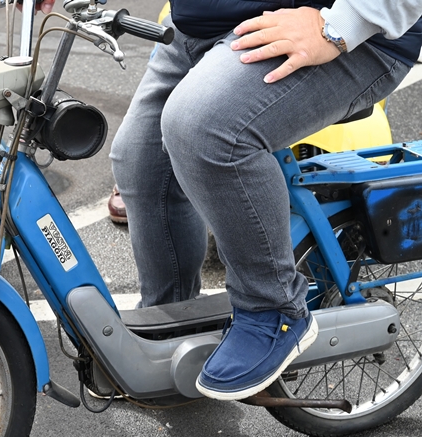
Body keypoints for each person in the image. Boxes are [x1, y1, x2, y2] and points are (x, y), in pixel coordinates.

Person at [36, 0, 422, 401]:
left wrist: (341, 25)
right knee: (138, 160)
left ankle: (273, 310)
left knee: (204, 130)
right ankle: (173, 328)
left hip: (323, 27)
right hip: (204, 25)